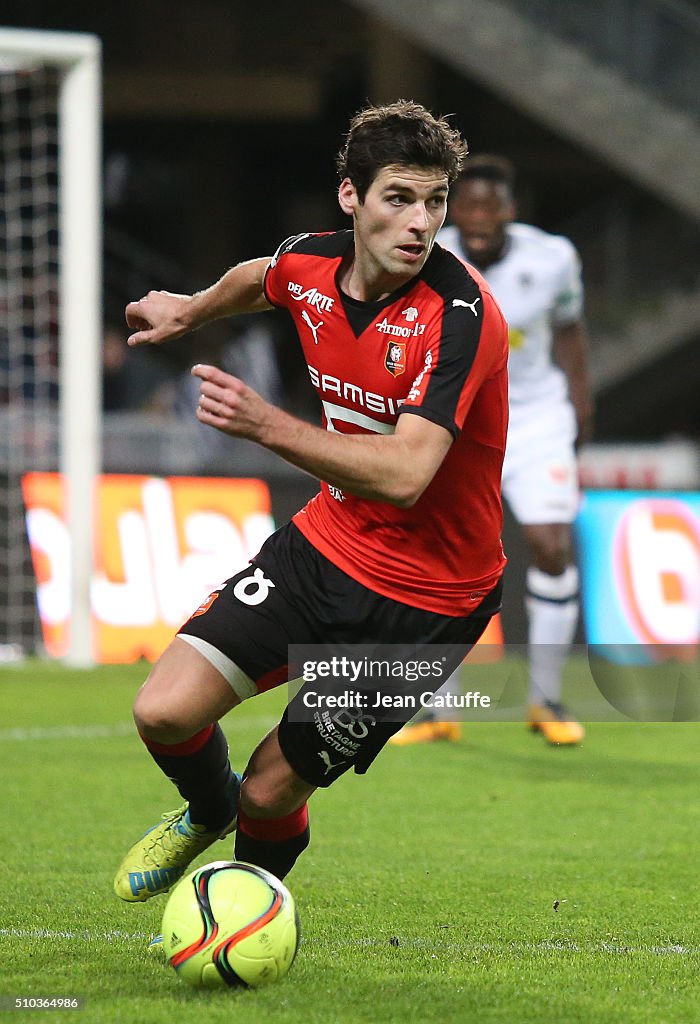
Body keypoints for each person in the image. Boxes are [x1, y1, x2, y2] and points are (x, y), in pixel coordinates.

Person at [112, 101, 509, 906]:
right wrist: (188, 310)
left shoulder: (463, 318)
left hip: (425, 601)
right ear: (350, 198)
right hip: (324, 547)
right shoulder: (312, 267)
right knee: (163, 712)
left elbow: (404, 475)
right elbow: (264, 278)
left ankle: (244, 914)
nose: (422, 222)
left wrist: (264, 424)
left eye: (434, 201)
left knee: (270, 791)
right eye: (399, 197)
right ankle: (205, 806)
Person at [392, 154, 592, 748]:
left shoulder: (553, 258)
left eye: (489, 205)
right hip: (460, 421)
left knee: (550, 545)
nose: (477, 217)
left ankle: (547, 700)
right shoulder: (431, 252)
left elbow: (571, 331)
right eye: (467, 205)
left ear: (508, 210)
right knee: (445, 554)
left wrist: (581, 410)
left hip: (535, 419)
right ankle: (438, 711)